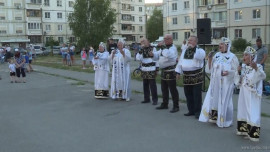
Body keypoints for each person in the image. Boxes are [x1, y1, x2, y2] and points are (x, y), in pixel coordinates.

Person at [199, 37, 239, 127]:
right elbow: (210, 69)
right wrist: (209, 59)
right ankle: (214, 117)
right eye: (219, 44)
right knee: (214, 99)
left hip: (226, 83)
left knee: (224, 101)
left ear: (227, 46)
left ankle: (224, 119)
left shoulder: (232, 57)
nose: (219, 45)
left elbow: (236, 71)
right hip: (215, 82)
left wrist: (228, 73)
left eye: (222, 44)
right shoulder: (217, 55)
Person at [235, 46, 266, 142]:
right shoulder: (244, 67)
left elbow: (262, 76)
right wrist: (238, 72)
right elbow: (238, 81)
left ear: (252, 57)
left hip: (252, 94)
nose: (244, 57)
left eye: (246, 55)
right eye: (244, 55)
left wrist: (256, 68)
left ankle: (253, 133)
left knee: (252, 110)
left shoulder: (258, 66)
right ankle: (244, 130)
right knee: (243, 109)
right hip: (244, 92)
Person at [175, 35, 206, 118]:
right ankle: (191, 110)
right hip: (186, 76)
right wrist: (178, 72)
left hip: (196, 75)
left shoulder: (200, 50)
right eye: (188, 40)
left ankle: (197, 112)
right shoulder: (185, 50)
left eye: (191, 40)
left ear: (196, 42)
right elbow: (181, 62)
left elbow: (200, 57)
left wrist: (193, 49)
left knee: (196, 95)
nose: (189, 42)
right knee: (188, 94)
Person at [153, 34, 179, 113]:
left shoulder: (172, 48)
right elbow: (157, 56)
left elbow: (169, 55)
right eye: (164, 39)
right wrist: (152, 54)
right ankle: (165, 103)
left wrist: (163, 47)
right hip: (164, 71)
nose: (165, 40)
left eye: (167, 39)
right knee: (164, 89)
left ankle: (176, 106)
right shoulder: (163, 48)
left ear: (171, 39)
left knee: (172, 89)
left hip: (171, 71)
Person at [136, 38, 158, 105]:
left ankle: (155, 99)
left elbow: (156, 58)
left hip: (151, 68)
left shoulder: (153, 48)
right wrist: (140, 50)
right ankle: (146, 98)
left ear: (148, 42)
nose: (143, 43)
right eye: (142, 42)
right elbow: (138, 58)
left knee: (152, 85)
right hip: (144, 68)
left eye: (144, 41)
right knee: (145, 85)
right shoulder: (141, 50)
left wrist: (157, 68)